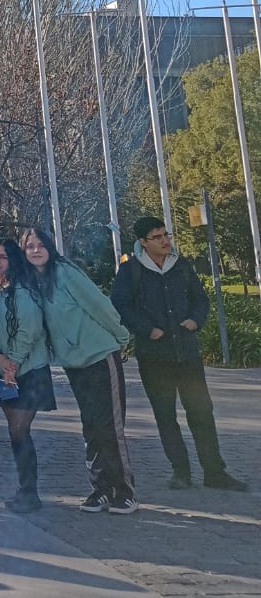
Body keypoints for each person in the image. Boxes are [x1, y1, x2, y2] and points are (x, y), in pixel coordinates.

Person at [111, 215, 247, 493]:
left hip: (187, 354)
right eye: (157, 237)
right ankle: (180, 471)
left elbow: (200, 299)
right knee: (165, 414)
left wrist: (196, 320)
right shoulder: (131, 271)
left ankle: (214, 471)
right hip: (155, 357)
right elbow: (121, 305)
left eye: (166, 234)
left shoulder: (181, 266)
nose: (164, 241)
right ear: (143, 242)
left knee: (201, 411)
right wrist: (147, 329)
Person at [22, 227, 136, 514]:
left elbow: (99, 306)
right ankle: (101, 489)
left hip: (100, 355)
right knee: (91, 426)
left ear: (50, 247)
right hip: (74, 364)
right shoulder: (33, 283)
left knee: (110, 425)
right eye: (29, 247)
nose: (35, 250)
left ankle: (124, 490)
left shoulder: (65, 272)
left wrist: (122, 337)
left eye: (40, 245)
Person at [0, 240, 56, 513]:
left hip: (30, 370)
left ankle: (29, 492)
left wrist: (12, 363)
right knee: (15, 432)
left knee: (20, 430)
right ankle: (26, 490)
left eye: (3, 256)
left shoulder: (25, 290)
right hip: (3, 373)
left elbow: (30, 328)